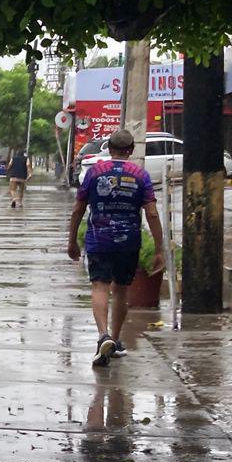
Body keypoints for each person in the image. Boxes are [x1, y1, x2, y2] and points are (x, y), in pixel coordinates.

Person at [65, 128, 165, 367]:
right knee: (121, 290)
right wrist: (160, 248)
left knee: (100, 286)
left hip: (99, 239)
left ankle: (103, 336)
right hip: (128, 241)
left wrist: (71, 241)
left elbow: (79, 208)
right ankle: (116, 341)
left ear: (109, 149)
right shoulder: (141, 175)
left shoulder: (94, 173)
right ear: (131, 150)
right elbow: (151, 212)